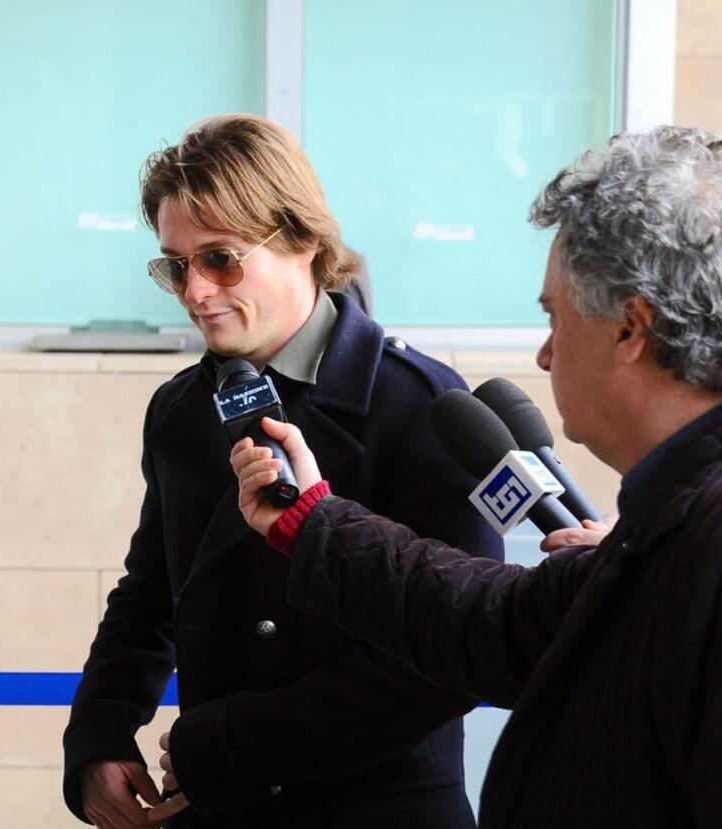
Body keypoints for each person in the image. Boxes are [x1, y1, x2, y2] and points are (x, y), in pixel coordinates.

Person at [231, 126, 722, 826]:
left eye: (556, 318)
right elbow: (500, 622)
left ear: (632, 328)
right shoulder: (709, 501)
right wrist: (312, 521)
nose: (543, 355)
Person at [63, 113, 503, 828]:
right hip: (221, 804)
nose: (195, 292)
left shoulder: (421, 404)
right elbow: (151, 595)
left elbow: (447, 658)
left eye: (222, 259)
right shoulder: (179, 410)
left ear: (304, 242)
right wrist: (98, 736)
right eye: (177, 265)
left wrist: (236, 742)